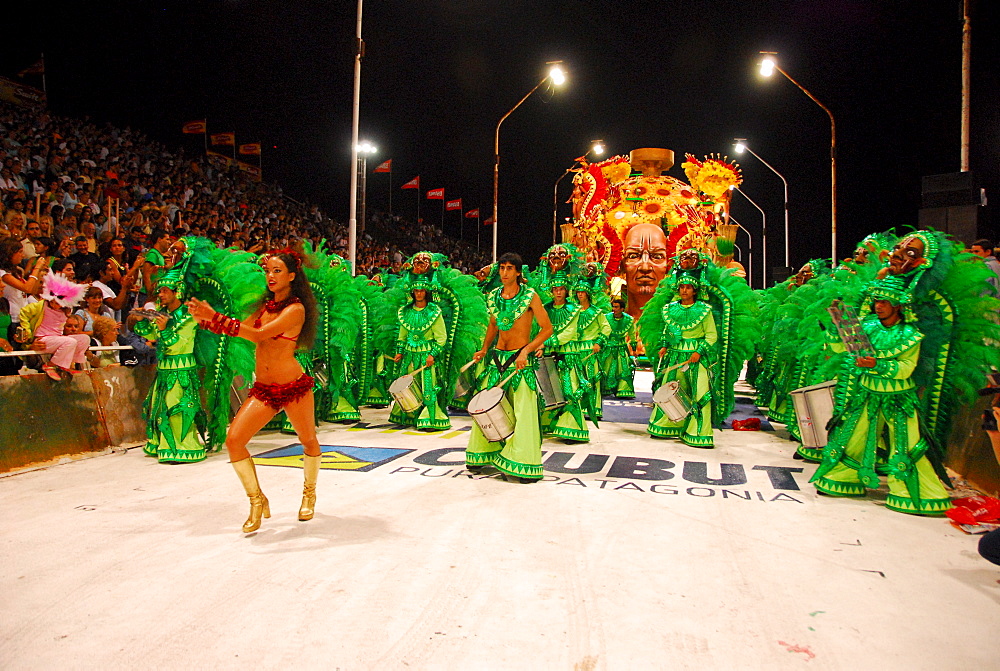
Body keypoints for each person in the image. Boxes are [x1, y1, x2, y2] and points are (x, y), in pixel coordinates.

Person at [187, 249, 322, 532]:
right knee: (234, 441)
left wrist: (218, 317)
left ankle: (309, 493)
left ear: (292, 276)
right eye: (267, 270)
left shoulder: (295, 310)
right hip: (263, 389)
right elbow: (240, 330)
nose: (270, 276)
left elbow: (260, 335)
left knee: (308, 441)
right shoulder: (265, 307)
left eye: (276, 271)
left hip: (292, 386)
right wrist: (206, 321)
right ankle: (257, 500)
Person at [466, 253, 553, 482]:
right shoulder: (494, 296)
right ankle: (484, 454)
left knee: (523, 412)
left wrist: (526, 351)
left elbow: (547, 329)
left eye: (509, 268)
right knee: (486, 406)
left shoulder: (530, 296)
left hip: (520, 360)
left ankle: (524, 462)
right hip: (496, 358)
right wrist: (484, 349)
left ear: (518, 272)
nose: (504, 273)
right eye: (502, 268)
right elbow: (493, 325)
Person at [133, 268, 206, 463]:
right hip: (164, 369)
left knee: (178, 409)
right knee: (158, 409)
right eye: (159, 291)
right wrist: (142, 320)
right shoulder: (162, 313)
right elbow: (150, 335)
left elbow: (178, 345)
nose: (160, 294)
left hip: (180, 369)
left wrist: (163, 329)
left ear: (177, 292)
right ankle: (162, 445)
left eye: (165, 290)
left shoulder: (189, 315)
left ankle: (183, 447)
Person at [646, 275, 718, 447]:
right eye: (682, 287)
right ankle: (667, 426)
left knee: (699, 393)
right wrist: (664, 345)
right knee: (669, 391)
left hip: (695, 359)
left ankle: (698, 432)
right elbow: (667, 331)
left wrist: (699, 352)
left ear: (694, 290)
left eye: (688, 287)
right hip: (675, 357)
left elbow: (711, 335)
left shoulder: (704, 310)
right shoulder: (670, 309)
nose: (684, 290)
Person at [390, 282, 451, 430]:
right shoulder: (405, 312)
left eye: (421, 291)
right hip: (409, 356)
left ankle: (429, 418)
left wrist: (432, 354)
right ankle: (409, 415)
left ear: (426, 292)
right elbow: (402, 336)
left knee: (427, 387)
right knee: (408, 386)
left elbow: (441, 337)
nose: (418, 294)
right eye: (416, 291)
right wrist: (399, 352)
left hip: (426, 356)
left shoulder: (434, 311)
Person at [19, 274, 89, 380]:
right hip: (43, 339)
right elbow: (24, 313)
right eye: (53, 301)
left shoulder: (66, 311)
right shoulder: (41, 306)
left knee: (84, 339)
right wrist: (27, 333)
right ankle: (50, 365)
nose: (55, 304)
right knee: (70, 342)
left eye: (58, 303)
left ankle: (69, 363)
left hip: (57, 339)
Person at [602, 297, 636, 398]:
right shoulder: (606, 318)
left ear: (622, 309)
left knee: (624, 369)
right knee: (606, 368)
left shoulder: (628, 320)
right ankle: (606, 389)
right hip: (608, 348)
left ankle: (623, 390)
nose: (614, 309)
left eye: (616, 307)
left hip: (621, 348)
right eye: (613, 307)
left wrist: (634, 349)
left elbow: (632, 334)